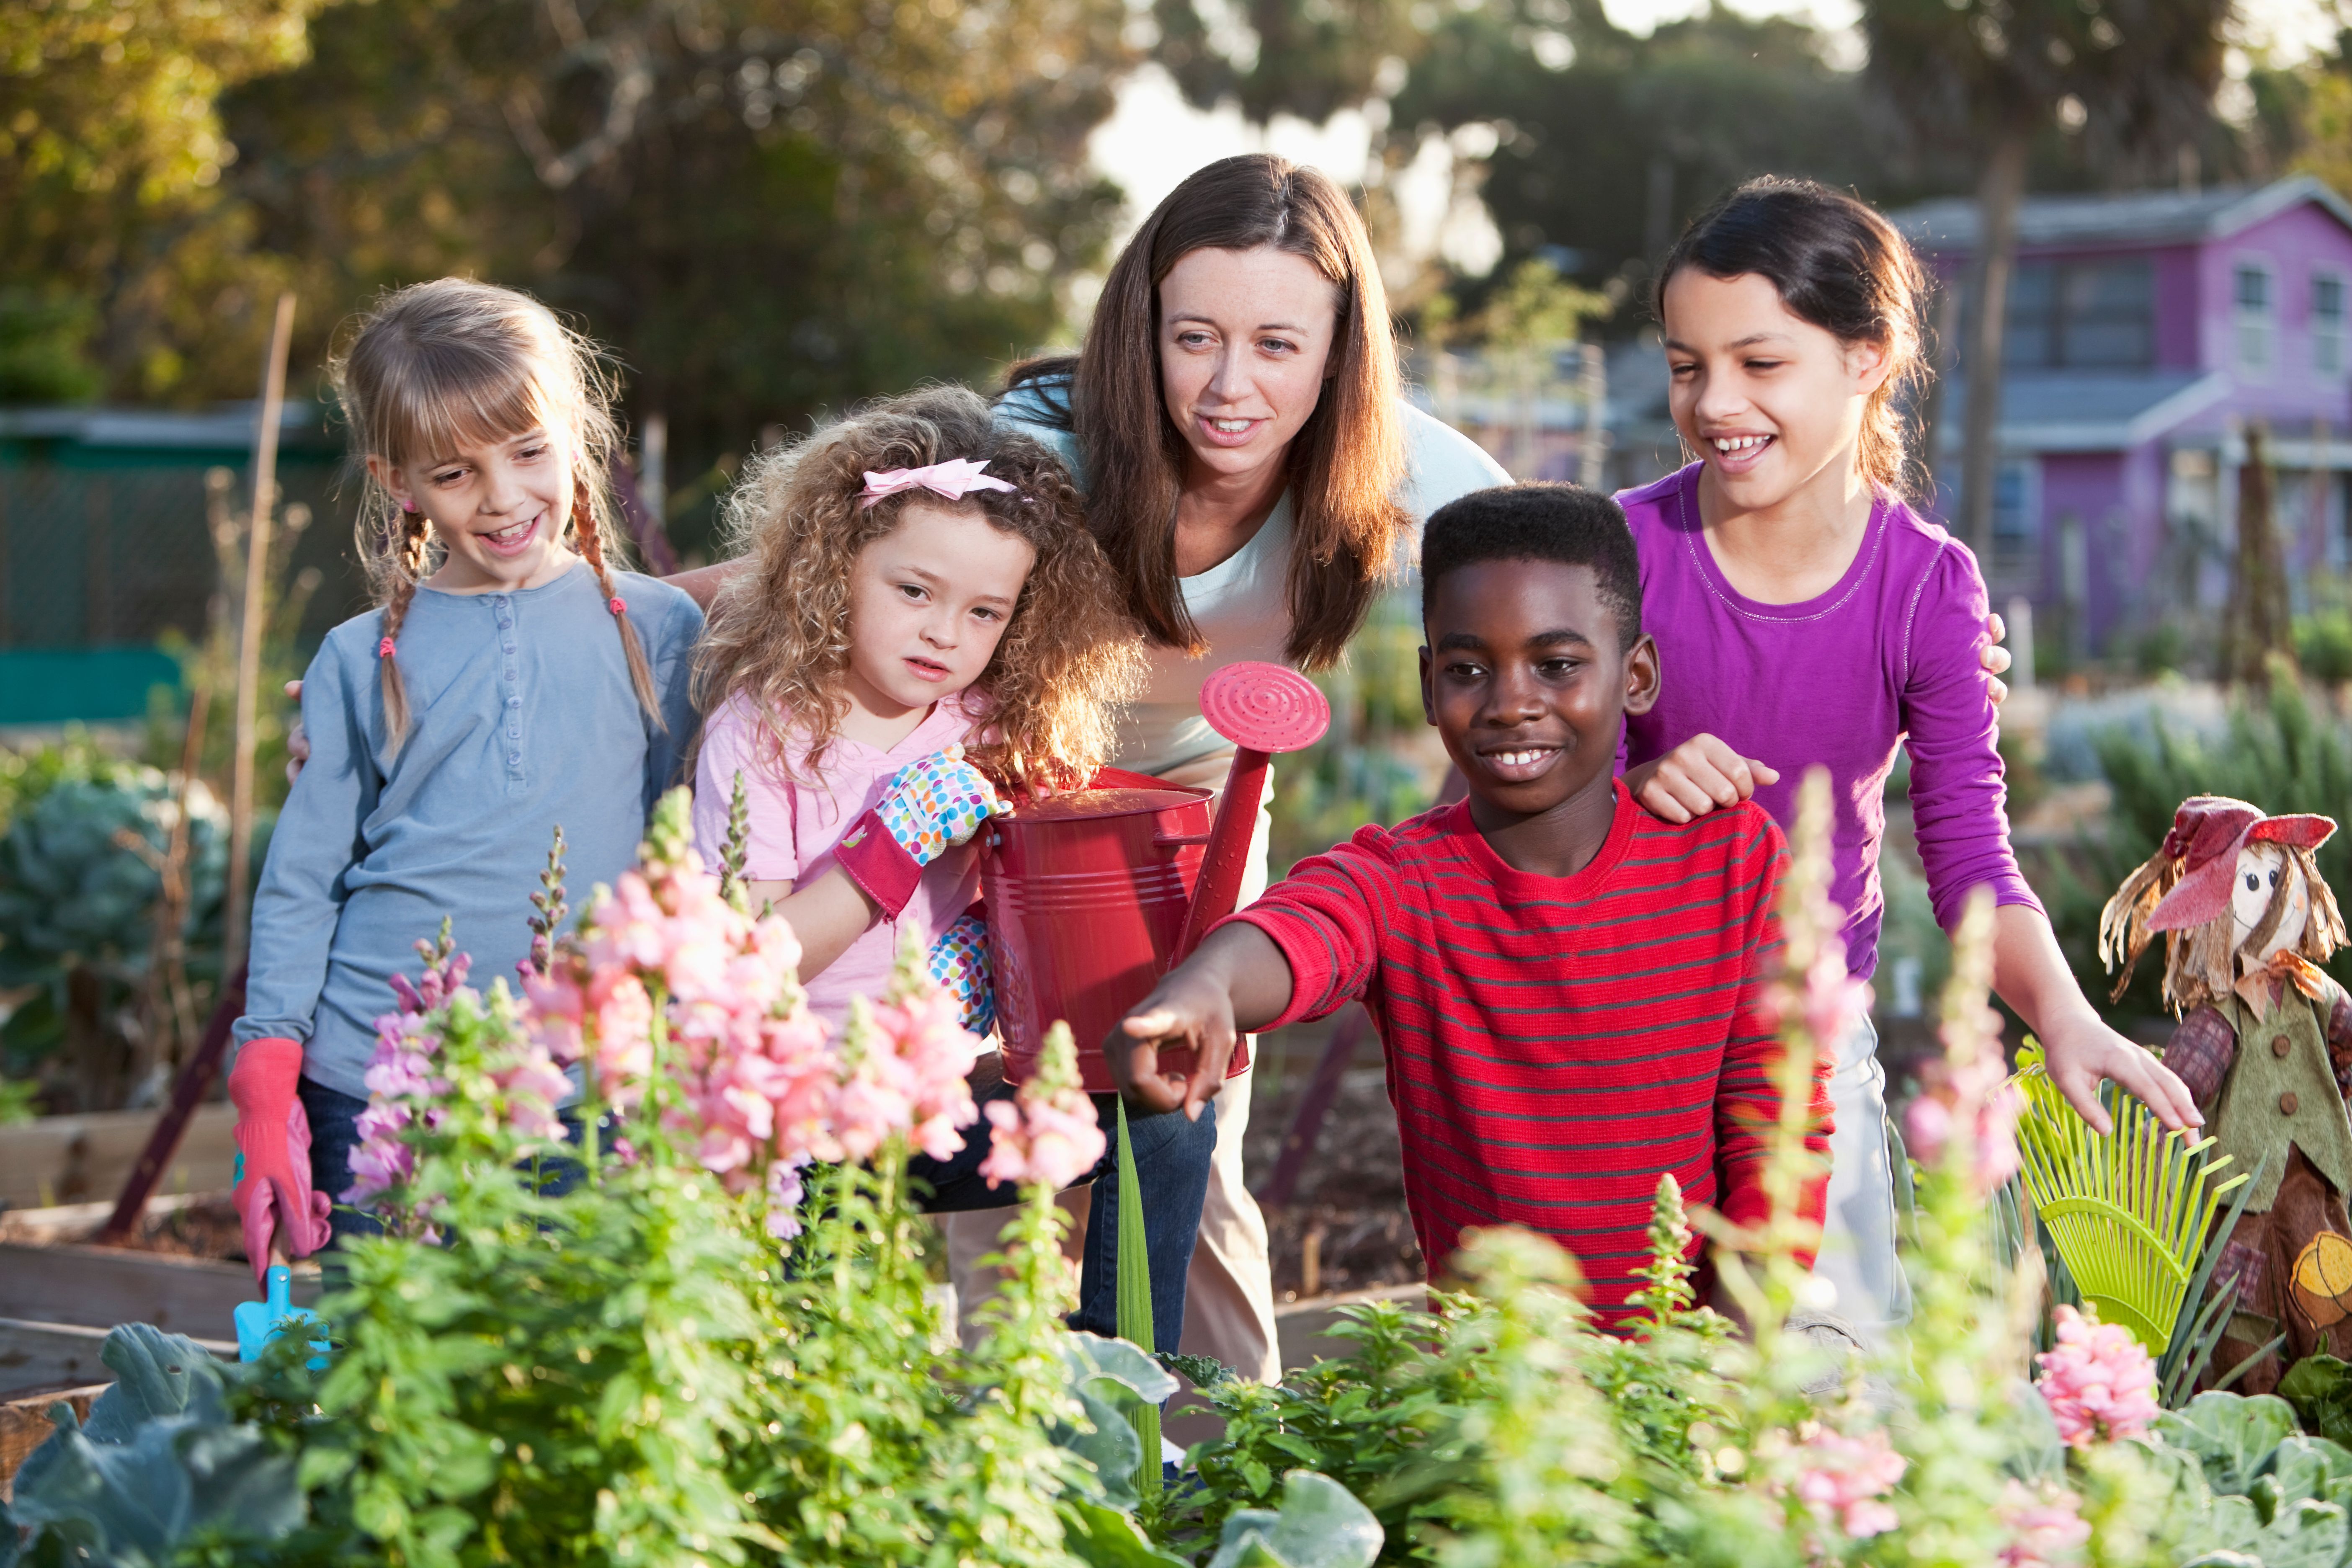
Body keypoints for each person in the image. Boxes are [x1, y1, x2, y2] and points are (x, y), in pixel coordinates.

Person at [671, 154, 1510, 1381]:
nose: (1231, 386)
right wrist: (482, 638)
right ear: (1141, 330)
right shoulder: (1041, 456)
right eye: (1194, 337)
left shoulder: (1414, 472)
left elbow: (1590, 578)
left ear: (1340, 352)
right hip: (995, 785)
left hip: (1200, 803)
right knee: (1004, 1135)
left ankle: (1216, 1439)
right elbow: (792, 574)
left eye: (1279, 344)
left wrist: (1675, 736)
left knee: (1184, 1118)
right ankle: (1003, 1447)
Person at [1614, 176, 2197, 1340]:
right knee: (1624, 1380)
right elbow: (1512, 789)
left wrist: (2066, 1015)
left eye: (1760, 363)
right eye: (1688, 366)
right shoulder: (1616, 549)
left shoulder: (1927, 589)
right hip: (1621, 1024)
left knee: (1828, 1376)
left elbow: (1973, 853)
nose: (1715, 400)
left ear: (1869, 356)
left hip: (1810, 1053)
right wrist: (1624, 787)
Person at [1107, 484, 1833, 1322]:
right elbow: (1305, 925)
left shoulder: (1730, 860)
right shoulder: (1407, 880)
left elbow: (1777, 1135)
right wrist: (1207, 987)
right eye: (1469, 669)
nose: (1511, 701)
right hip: (1490, 1398)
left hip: (1695, 1378)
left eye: (1557, 665)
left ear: (1636, 676)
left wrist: (1728, 1371)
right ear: (1427, 683)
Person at [684, 385, 1217, 1349]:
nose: (944, 634)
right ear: (837, 567)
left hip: (945, 1096)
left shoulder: (990, 726)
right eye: (914, 592)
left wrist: (1001, 952)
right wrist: (884, 853)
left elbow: (1065, 901)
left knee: (1166, 1120)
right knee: (811, 1350)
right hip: (808, 1122)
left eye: (985, 612)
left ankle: (1115, 1388)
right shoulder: (761, 735)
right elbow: (743, 969)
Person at [228, 278, 705, 1282]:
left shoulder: (662, 633)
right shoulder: (361, 658)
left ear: (574, 434)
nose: (501, 497)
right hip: (381, 1085)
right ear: (399, 481)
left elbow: (679, 850)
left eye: (529, 452)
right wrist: (268, 1072)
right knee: (405, 1400)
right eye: (455, 472)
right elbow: (305, 877)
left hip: (584, 1089)